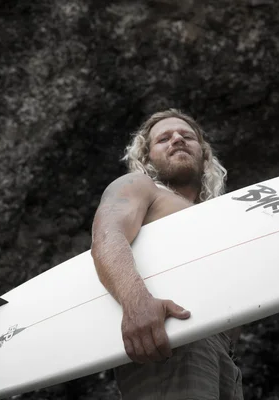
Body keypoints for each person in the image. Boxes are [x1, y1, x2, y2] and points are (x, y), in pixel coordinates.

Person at [91, 109, 243, 399]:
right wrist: (137, 304)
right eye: (164, 139)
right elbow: (108, 237)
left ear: (205, 155)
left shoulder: (220, 217)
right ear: (146, 158)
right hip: (168, 335)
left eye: (187, 136)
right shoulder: (140, 186)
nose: (177, 139)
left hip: (226, 356)